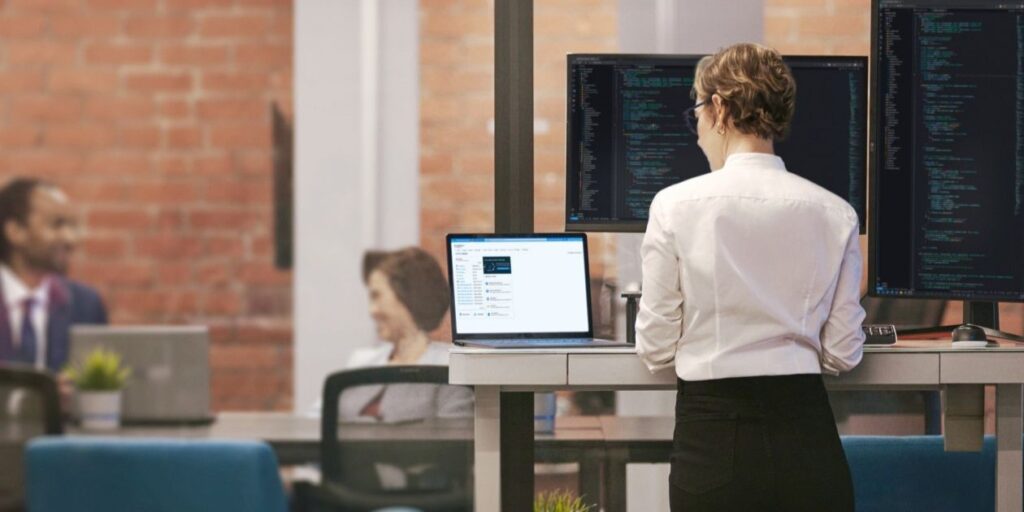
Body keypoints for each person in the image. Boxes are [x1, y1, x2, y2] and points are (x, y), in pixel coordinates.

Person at [635, 43, 865, 512]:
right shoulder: (836, 213)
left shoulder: (675, 206)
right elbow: (843, 353)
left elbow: (655, 349)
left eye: (698, 108)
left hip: (715, 439)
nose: (698, 128)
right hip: (810, 441)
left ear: (719, 108)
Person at [338, 247, 472, 423]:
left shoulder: (452, 366)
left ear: (409, 296)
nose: (372, 311)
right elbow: (316, 424)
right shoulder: (360, 362)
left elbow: (456, 442)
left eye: (377, 296)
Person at [0, 178, 107, 372]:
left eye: (72, 226)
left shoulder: (86, 305)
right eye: (56, 225)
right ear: (15, 231)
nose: (70, 238)